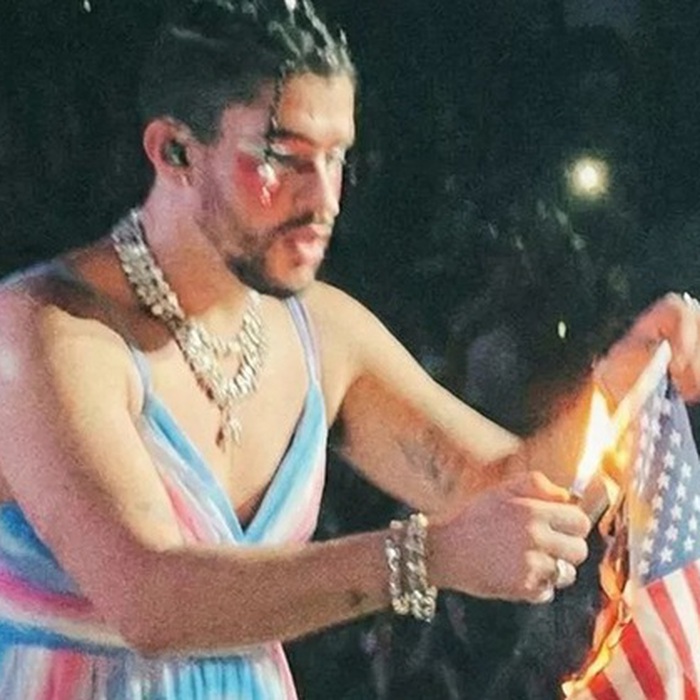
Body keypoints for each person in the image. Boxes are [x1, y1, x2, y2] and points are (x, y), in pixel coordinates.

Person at [0, 1, 698, 698]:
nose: (325, 199)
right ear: (175, 151)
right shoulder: (46, 330)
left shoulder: (324, 334)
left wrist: (625, 384)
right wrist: (424, 557)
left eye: (336, 157)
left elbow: (507, 492)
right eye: (283, 158)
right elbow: (152, 600)